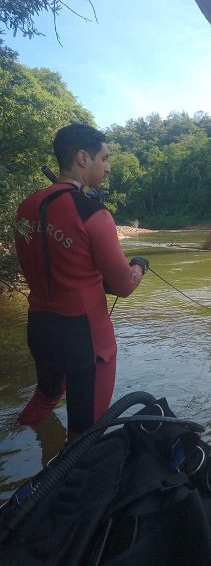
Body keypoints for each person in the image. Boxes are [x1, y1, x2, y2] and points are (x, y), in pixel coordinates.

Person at [15, 123, 149, 442]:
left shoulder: (26, 208)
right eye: (104, 158)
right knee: (84, 434)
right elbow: (124, 285)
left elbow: (54, 265)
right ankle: (72, 489)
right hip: (86, 339)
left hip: (40, 326)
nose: (108, 166)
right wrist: (140, 265)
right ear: (82, 159)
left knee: (45, 398)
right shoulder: (94, 213)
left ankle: (13, 452)